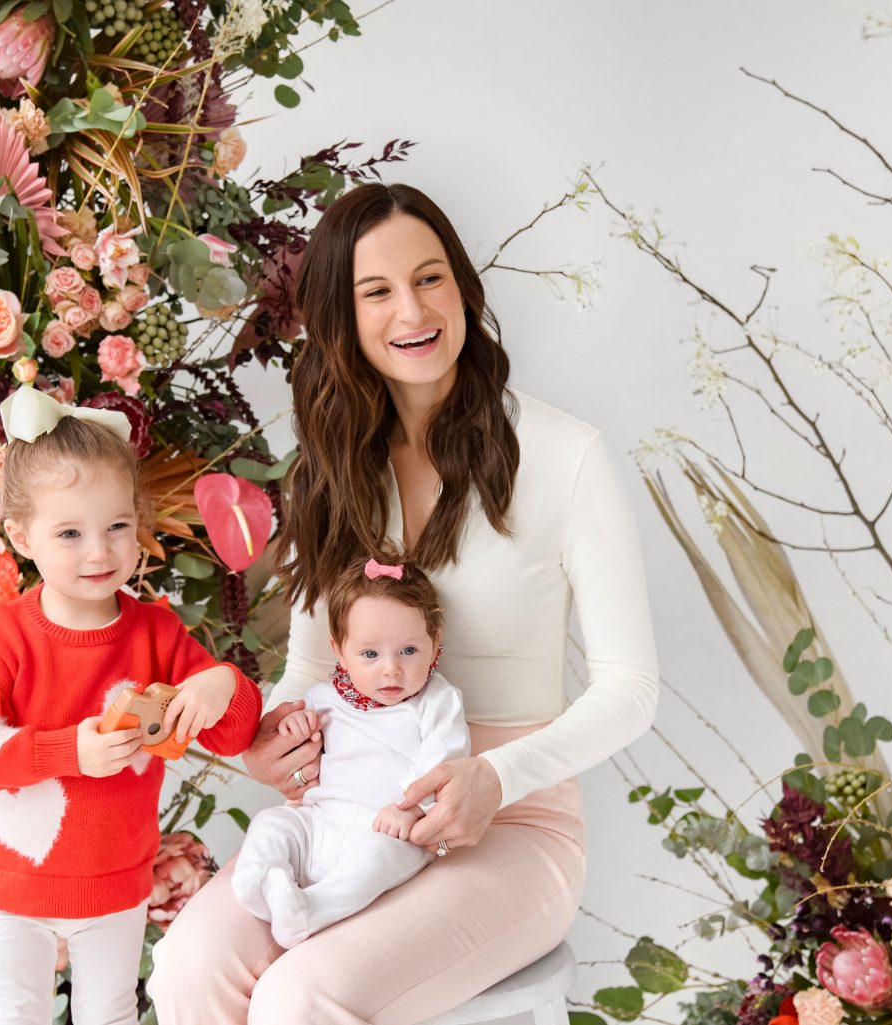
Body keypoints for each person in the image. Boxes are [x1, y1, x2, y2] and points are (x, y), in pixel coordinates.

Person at [148, 182, 660, 1025]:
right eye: (376, 291)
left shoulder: (566, 455)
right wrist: (276, 738)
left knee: (301, 998)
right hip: (346, 814)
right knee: (186, 968)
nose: (412, 311)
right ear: (340, 319)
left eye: (429, 279)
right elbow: (310, 664)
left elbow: (631, 689)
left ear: (462, 287)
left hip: (511, 825)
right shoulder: (331, 465)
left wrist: (496, 776)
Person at [0, 386, 263, 1025]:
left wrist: (222, 682)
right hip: (16, 883)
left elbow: (232, 736)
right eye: (70, 533)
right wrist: (70, 752)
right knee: (15, 1016)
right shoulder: (2, 635)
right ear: (22, 536)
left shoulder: (156, 633)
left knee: (110, 1014)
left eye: (117, 526)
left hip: (116, 881)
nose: (99, 550)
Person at [231, 554, 470, 948]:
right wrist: (294, 727)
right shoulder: (323, 698)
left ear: (434, 643)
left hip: (387, 827)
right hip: (319, 820)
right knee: (272, 824)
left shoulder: (437, 701)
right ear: (340, 651)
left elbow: (443, 761)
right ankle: (262, 883)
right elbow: (301, 744)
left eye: (409, 650)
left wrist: (410, 808)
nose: (391, 669)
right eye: (370, 655)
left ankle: (314, 909)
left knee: (373, 862)